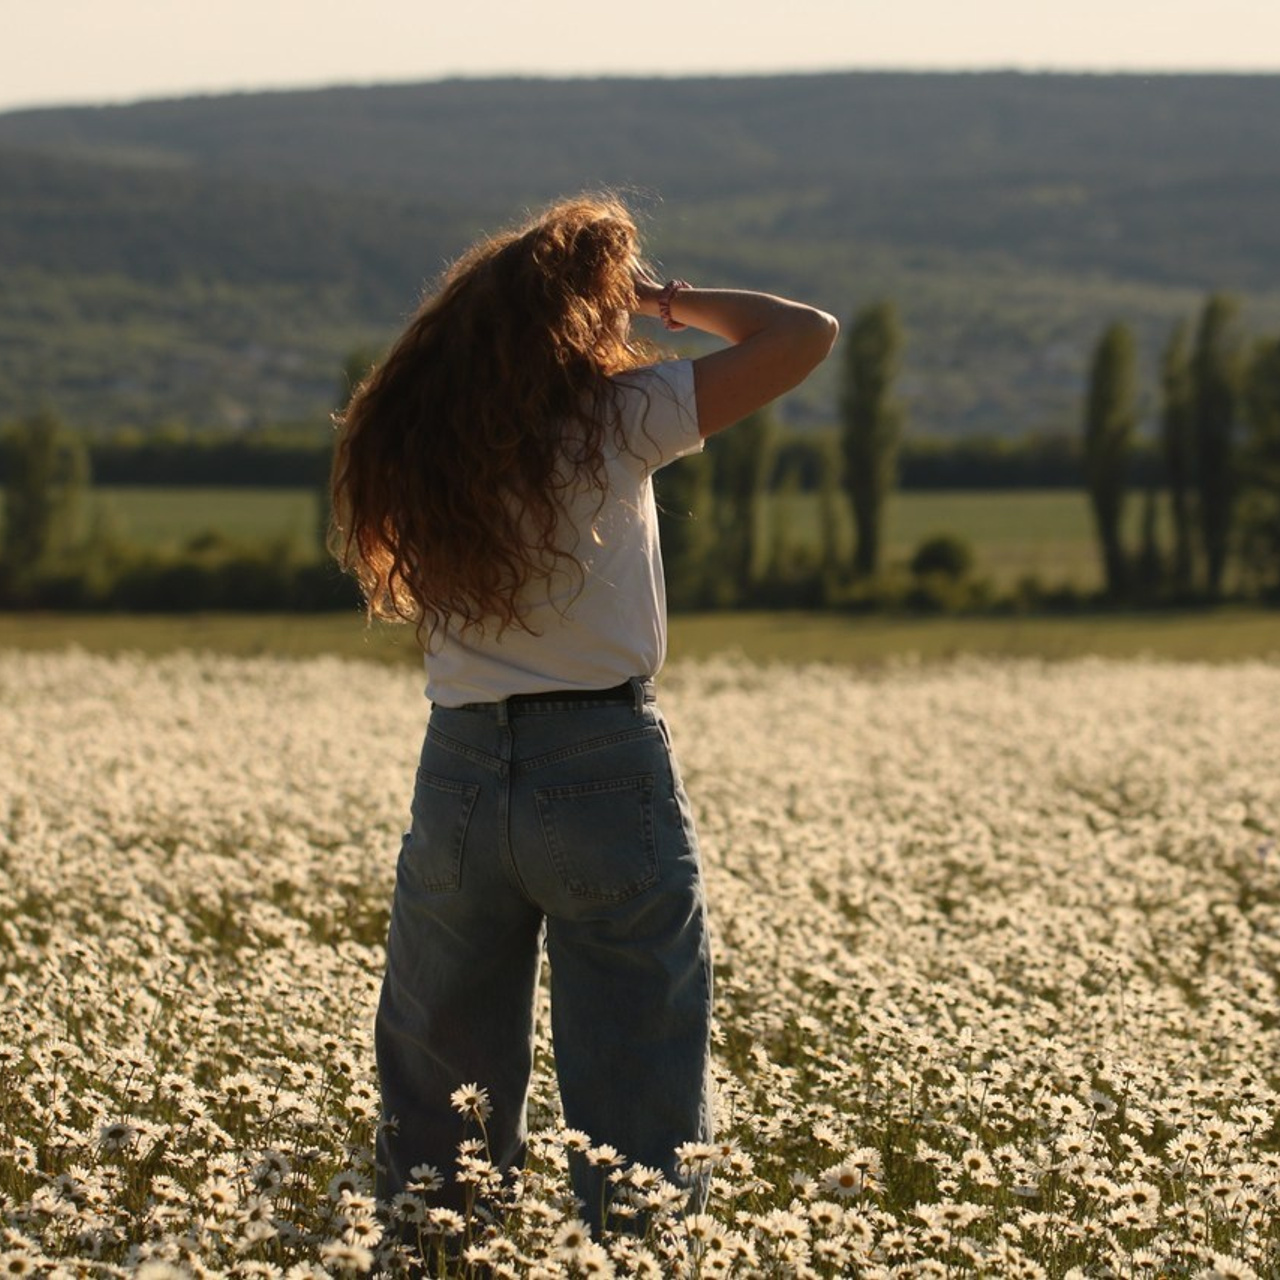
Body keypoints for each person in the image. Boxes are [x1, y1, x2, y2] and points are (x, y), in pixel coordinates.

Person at [329, 194, 837, 1246]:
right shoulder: (613, 415)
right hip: (600, 758)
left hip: (460, 767)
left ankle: (436, 1256)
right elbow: (805, 334)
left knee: (438, 1086)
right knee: (636, 1081)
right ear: (584, 313)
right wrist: (671, 302)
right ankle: (634, 1258)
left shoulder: (426, 438)